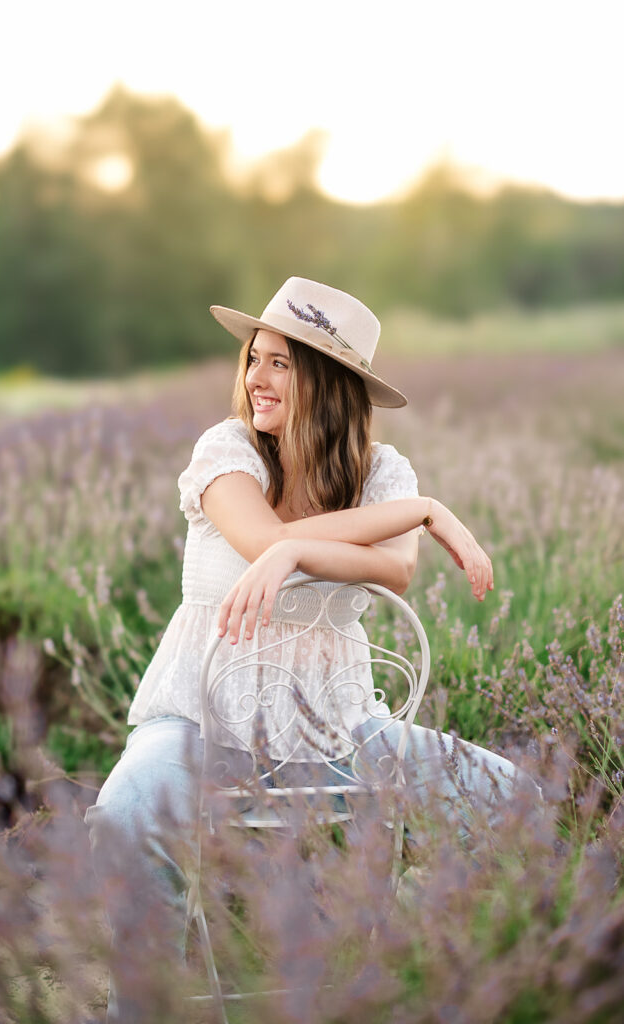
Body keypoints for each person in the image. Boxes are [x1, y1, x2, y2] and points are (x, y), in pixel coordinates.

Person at [86, 277, 524, 1022]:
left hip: (335, 725)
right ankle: (150, 1006)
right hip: (204, 713)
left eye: (282, 363)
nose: (256, 378)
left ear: (328, 381)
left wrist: (314, 545)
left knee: (517, 801)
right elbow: (258, 540)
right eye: (255, 358)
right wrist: (420, 513)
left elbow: (395, 570)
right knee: (128, 811)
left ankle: (445, 983)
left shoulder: (380, 472)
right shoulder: (227, 450)